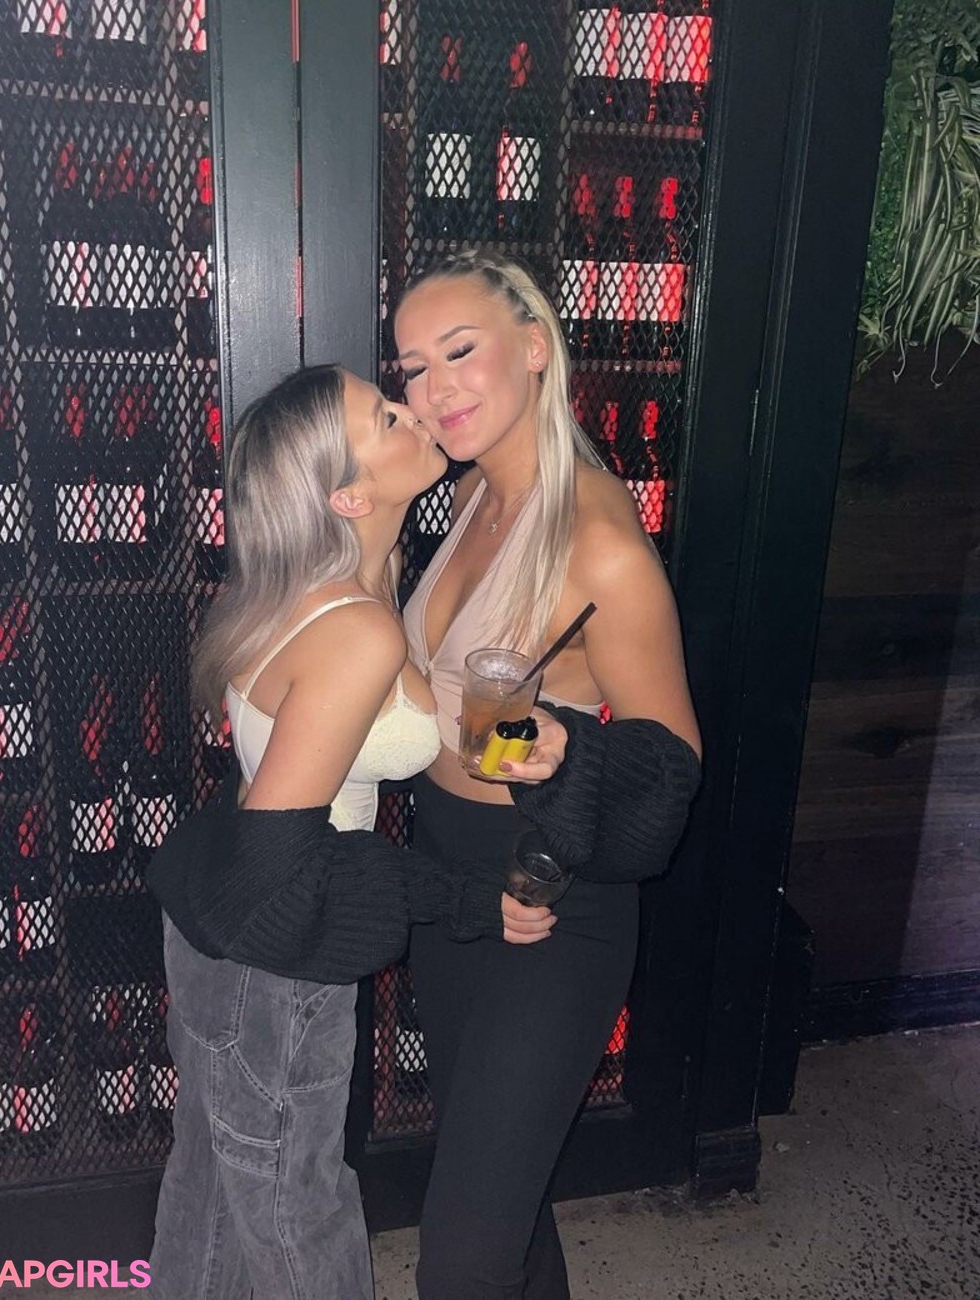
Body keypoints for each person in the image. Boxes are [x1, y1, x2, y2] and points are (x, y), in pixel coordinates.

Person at [145, 364, 562, 1300]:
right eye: (386, 416)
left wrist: (520, 739)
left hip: (218, 949)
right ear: (349, 494)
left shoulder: (330, 588)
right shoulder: (357, 631)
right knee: (298, 1211)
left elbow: (357, 748)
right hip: (273, 963)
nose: (414, 409)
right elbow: (280, 867)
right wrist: (463, 900)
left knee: (212, 1190)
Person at [392, 248, 703, 1299]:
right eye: (413, 367)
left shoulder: (598, 543)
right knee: (500, 1202)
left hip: (548, 902)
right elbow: (449, 701)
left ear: (534, 348)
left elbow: (673, 765)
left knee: (461, 1255)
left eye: (459, 352)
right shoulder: (472, 494)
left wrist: (557, 758)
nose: (434, 388)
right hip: (447, 882)